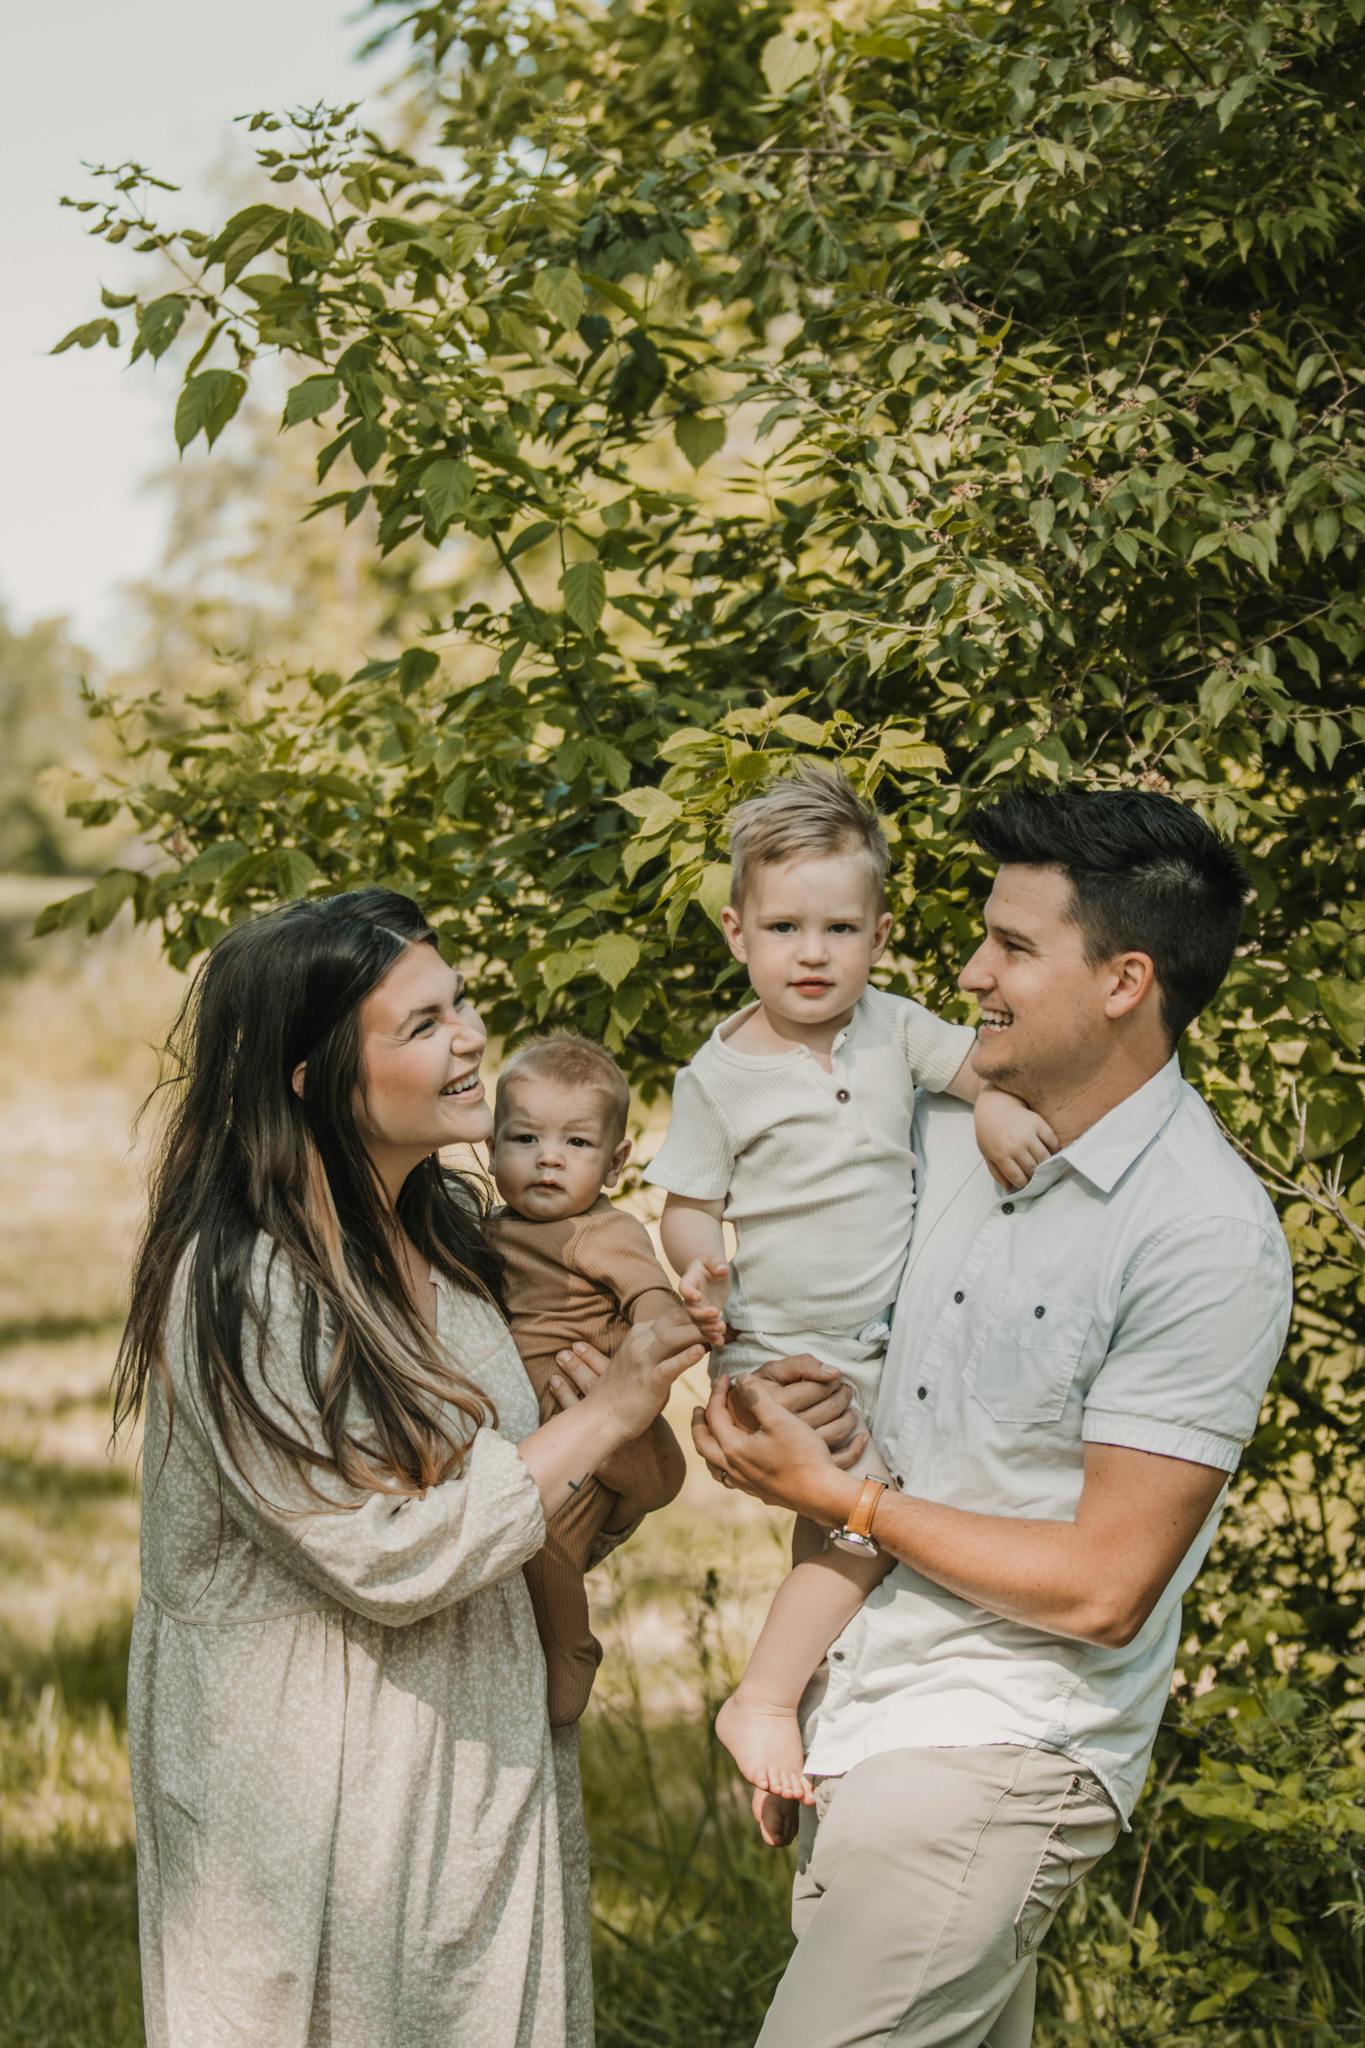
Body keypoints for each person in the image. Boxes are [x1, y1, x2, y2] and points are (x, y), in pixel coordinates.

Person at [691, 788, 1294, 2048]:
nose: (971, 970)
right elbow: (811, 1338)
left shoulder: (1203, 1235)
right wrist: (758, 1407)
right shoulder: (928, 1127)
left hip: (1003, 1744)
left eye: (1013, 946)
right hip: (861, 1713)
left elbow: (1103, 1587)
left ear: (1126, 978)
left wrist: (838, 1496)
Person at [115, 888, 709, 2048]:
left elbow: (535, 1485)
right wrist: (599, 1421)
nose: (474, 1035)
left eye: (463, 1002)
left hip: (479, 1742)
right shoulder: (242, 1280)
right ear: (312, 1072)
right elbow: (386, 1553)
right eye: (424, 1022)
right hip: (312, 1780)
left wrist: (621, 1435)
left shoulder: (449, 1231)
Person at [645, 766, 1056, 1814]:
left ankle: (815, 1708)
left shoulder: (894, 1027)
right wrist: (696, 1262)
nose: (813, 952)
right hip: (775, 1344)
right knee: (866, 1520)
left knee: (836, 1532)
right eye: (785, 926)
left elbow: (978, 1071)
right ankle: (768, 1699)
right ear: (738, 934)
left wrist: (1001, 1108)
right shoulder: (717, 1076)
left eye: (839, 926)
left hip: (877, 1345)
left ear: (879, 935)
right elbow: (687, 1202)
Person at [487, 1033, 690, 1727]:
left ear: (614, 1163)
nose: (547, 1158)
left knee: (531, 1535)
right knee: (521, 1541)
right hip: (553, 1438)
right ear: (489, 1147)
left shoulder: (602, 1231)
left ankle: (570, 1647)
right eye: (523, 1138)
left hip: (606, 1436)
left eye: (576, 1144)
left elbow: (652, 1303)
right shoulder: (492, 1229)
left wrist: (664, 1331)